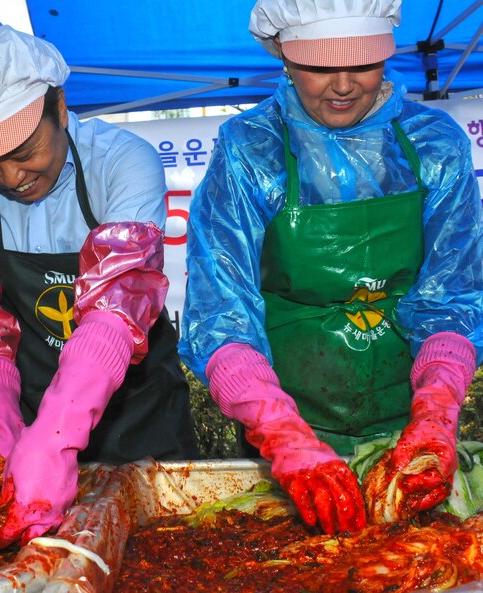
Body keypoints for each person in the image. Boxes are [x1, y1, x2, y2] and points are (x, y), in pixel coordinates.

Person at [180, 0, 483, 535]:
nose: (342, 85)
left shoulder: (436, 146)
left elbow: (451, 298)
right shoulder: (252, 151)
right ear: (284, 57)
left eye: (363, 64)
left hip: (405, 420)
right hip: (284, 418)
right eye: (319, 67)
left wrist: (435, 411)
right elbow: (222, 311)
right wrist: (283, 436)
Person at [0, 25, 198, 544]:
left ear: (61, 107)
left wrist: (55, 441)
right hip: (29, 417)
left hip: (141, 415)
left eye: (23, 151)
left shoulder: (123, 162)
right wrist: (6, 438)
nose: (9, 176)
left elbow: (115, 311)